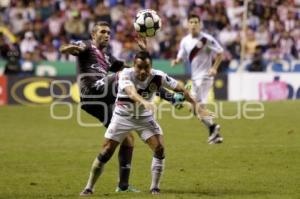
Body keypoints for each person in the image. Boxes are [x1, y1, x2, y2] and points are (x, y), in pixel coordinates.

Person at [59, 21, 184, 195]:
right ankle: (172, 97)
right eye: (103, 31)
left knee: (127, 140)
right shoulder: (86, 46)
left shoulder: (108, 57)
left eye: (109, 32)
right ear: (93, 35)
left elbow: (138, 72)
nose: (107, 35)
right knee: (121, 76)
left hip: (99, 103)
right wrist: (68, 49)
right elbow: (73, 49)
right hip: (92, 91)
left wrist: (144, 51)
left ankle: (122, 186)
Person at [80, 51, 212, 195]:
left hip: (144, 118)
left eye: (146, 68)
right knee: (106, 152)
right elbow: (131, 93)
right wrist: (144, 101)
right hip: (122, 117)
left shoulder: (158, 76)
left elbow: (180, 88)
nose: (143, 71)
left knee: (159, 148)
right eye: (139, 67)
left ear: (151, 66)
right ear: (134, 66)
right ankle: (89, 187)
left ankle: (154, 187)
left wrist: (197, 107)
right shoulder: (125, 74)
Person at [171, 14, 224, 144]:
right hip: (195, 78)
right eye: (191, 22)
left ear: (200, 24)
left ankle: (213, 128)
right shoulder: (185, 41)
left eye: (196, 22)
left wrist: (214, 68)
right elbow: (181, 55)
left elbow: (220, 52)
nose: (194, 24)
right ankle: (213, 130)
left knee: (195, 105)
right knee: (193, 107)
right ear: (187, 24)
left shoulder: (206, 39)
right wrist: (176, 61)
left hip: (205, 77)